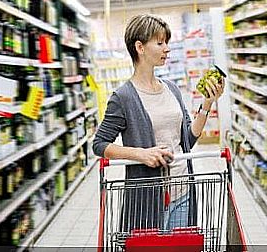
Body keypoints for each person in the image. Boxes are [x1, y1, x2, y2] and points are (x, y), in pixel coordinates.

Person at [92, 14, 224, 232]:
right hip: (148, 198)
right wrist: (141, 154)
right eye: (160, 42)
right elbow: (99, 144)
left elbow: (188, 140)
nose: (167, 49)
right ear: (140, 47)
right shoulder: (123, 97)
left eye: (167, 43)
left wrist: (207, 104)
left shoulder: (171, 88)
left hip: (183, 192)